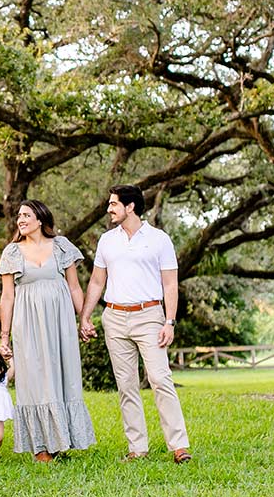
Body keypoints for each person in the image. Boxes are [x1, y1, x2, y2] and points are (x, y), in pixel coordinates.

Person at [79, 184, 192, 464]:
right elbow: (96, 281)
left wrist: (169, 322)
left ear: (130, 207)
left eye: (114, 204)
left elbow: (170, 284)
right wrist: (85, 316)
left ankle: (179, 446)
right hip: (115, 318)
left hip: (149, 316)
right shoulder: (107, 240)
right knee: (126, 385)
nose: (109, 209)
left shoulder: (159, 239)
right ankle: (137, 448)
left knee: (160, 379)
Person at [0, 200, 96, 461]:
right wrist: (4, 336)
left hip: (60, 321)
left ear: (40, 219)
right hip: (27, 322)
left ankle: (62, 440)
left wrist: (84, 319)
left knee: (64, 375)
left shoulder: (62, 246)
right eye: (19, 216)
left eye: (26, 215)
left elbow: (74, 287)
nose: (21, 219)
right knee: (34, 379)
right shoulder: (12, 252)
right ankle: (40, 447)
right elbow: (7, 297)